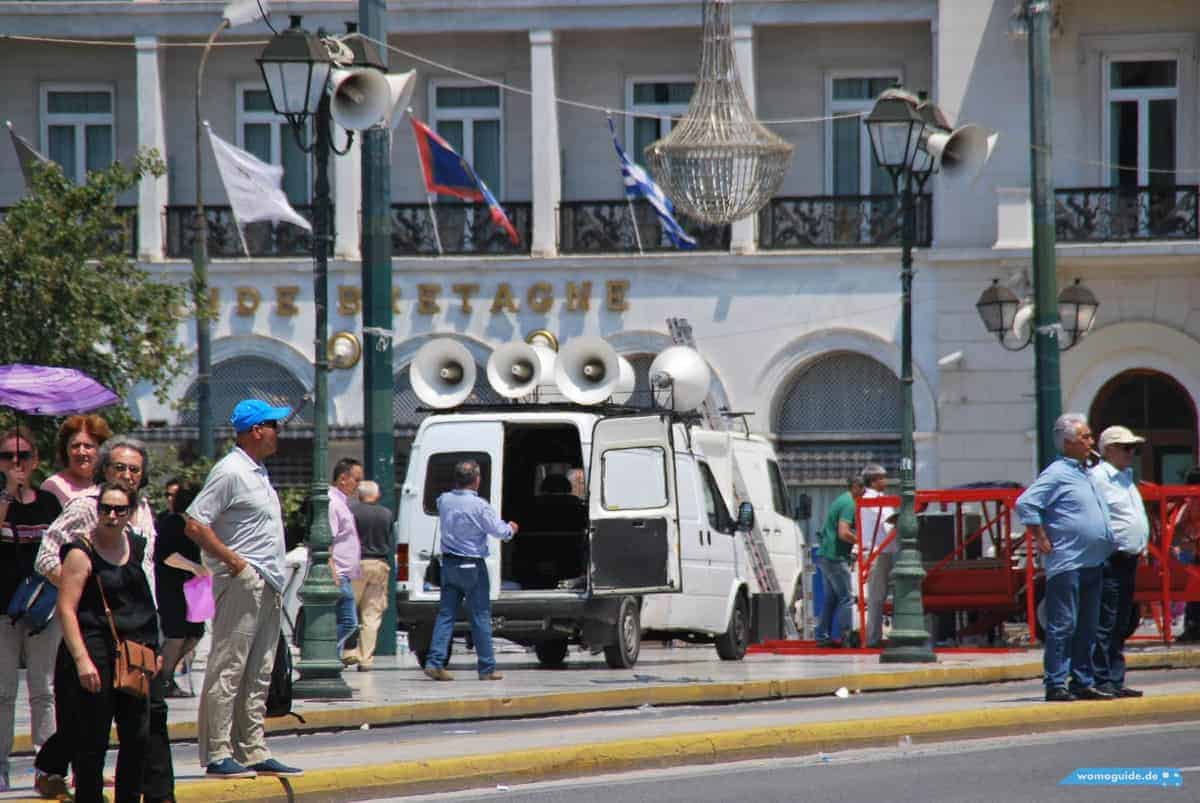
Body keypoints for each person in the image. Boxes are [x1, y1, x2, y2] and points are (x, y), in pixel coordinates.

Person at [33, 436, 173, 802]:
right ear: (105, 471)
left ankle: (157, 796)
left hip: (136, 640)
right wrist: (85, 588)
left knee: (142, 729)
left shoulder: (141, 518)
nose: (126, 475)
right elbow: (47, 556)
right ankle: (57, 771)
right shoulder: (84, 510)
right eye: (119, 468)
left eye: (134, 469)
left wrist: (154, 640)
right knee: (90, 733)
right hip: (95, 638)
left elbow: (144, 585)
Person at [184, 399, 301, 778]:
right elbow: (195, 523)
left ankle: (252, 748)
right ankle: (218, 751)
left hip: (268, 583)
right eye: (274, 425)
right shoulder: (230, 471)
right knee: (228, 667)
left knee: (259, 670)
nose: (278, 432)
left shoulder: (259, 472)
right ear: (256, 430)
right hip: (243, 582)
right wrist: (235, 562)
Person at [55, 483, 160, 803]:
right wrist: (82, 659)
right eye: (105, 509)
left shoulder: (136, 547)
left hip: (133, 653)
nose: (111, 516)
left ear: (130, 514)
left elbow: (144, 601)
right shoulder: (80, 552)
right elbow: (66, 608)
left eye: (119, 510)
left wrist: (155, 649)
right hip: (96, 649)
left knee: (137, 737)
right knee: (93, 740)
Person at [1016, 412, 1115, 702]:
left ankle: (1082, 681)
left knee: (1087, 625)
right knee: (1064, 625)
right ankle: (1056, 682)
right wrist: (1041, 535)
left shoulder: (1087, 472)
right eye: (1085, 437)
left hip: (1092, 562)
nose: (1091, 441)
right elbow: (1026, 503)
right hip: (1068, 562)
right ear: (1069, 443)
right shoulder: (1058, 472)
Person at [0, 427, 63, 794]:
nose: (16, 463)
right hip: (4, 610)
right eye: (7, 457)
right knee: (4, 693)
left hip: (41, 610)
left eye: (23, 457)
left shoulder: (48, 503)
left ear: (36, 461)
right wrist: (9, 492)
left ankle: (47, 767)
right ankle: (1, 767)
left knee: (44, 690)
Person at [424, 459, 518, 682]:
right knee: (480, 617)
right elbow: (499, 532)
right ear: (476, 480)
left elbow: (440, 504)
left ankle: (435, 662)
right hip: (472, 566)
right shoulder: (480, 505)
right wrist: (511, 529)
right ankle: (487, 668)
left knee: (446, 615)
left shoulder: (443, 500)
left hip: (449, 565)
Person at [1090, 426, 1149, 698]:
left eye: (1133, 448)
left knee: (1122, 621)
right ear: (1109, 449)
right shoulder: (1099, 478)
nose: (1131, 453)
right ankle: (1102, 679)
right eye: (1126, 448)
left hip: (1129, 558)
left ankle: (1114, 678)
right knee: (1107, 620)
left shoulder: (1125, 477)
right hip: (1111, 559)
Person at [155, 482, 207, 698]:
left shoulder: (200, 525)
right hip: (173, 586)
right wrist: (195, 568)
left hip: (197, 586)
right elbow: (166, 556)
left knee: (195, 634)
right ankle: (164, 680)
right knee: (175, 635)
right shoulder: (172, 523)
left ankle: (166, 674)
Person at [348, 480, 395, 671]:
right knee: (372, 614)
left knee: (348, 609)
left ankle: (348, 652)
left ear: (359, 495)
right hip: (379, 565)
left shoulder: (352, 511)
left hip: (356, 564)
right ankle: (366, 658)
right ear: (376, 495)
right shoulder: (387, 513)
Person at [816, 476, 864, 648]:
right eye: (863, 490)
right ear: (857, 487)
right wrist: (860, 541)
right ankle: (846, 637)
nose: (864, 495)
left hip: (826, 554)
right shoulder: (850, 503)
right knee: (847, 598)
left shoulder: (841, 499)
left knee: (831, 599)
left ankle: (822, 637)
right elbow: (843, 533)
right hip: (835, 557)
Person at [329, 458, 363, 662]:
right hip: (338, 573)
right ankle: (327, 654)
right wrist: (332, 571)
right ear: (343, 479)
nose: (359, 485)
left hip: (343, 573)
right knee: (349, 622)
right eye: (356, 480)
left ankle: (332, 656)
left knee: (342, 620)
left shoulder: (341, 502)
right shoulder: (333, 503)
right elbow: (328, 540)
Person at [860, 465, 896, 649]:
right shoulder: (872, 500)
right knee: (876, 597)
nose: (886, 481)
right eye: (882, 478)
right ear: (873, 481)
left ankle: (877, 636)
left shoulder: (877, 499)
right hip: (878, 552)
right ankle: (873, 638)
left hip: (884, 552)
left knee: (881, 596)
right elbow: (890, 522)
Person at [40, 414, 112, 506]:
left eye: (88, 446)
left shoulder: (110, 483)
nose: (81, 452)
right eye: (75, 446)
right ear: (65, 450)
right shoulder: (52, 486)